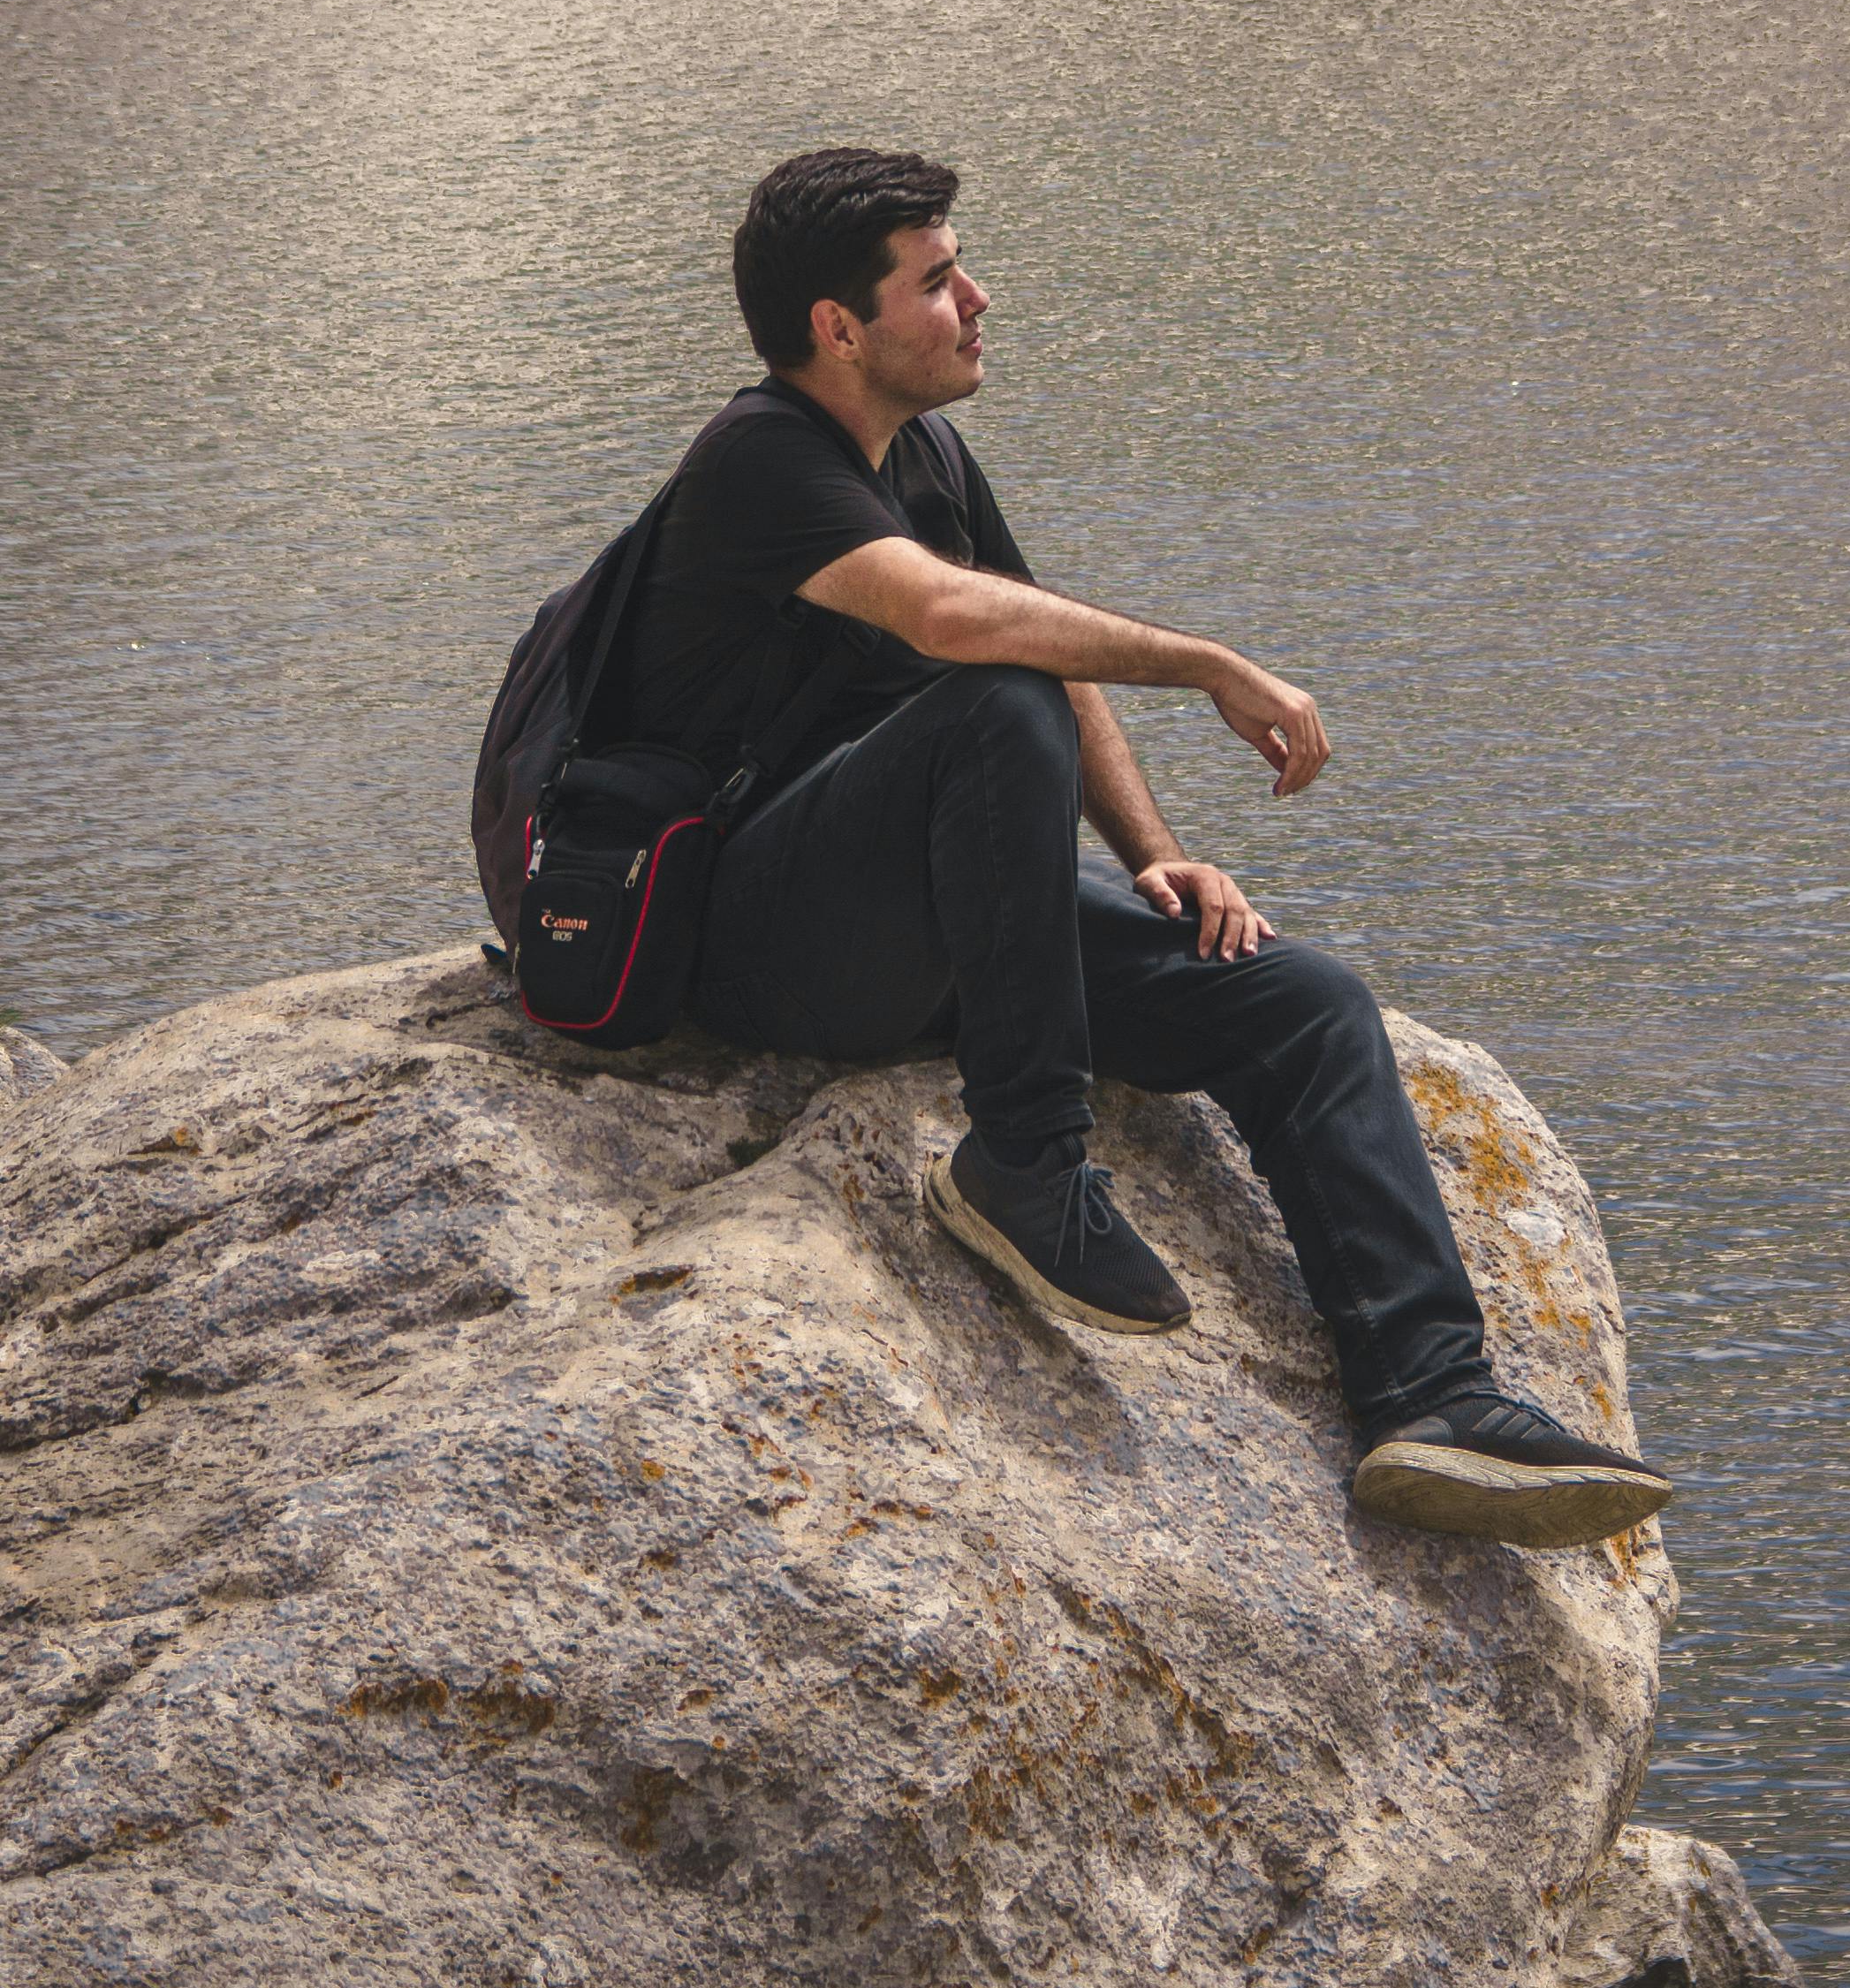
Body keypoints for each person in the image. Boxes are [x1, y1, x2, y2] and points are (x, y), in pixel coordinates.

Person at [621, 144, 1672, 1554]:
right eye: (937, 282)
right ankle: (1025, 1162)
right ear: (838, 327)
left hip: (933, 909)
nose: (978, 298)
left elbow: (1047, 644)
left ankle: (1429, 1395)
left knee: (1298, 1004)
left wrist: (1155, 856)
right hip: (759, 939)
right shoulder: (758, 462)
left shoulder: (923, 449)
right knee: (986, 695)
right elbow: (963, 631)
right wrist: (1212, 665)